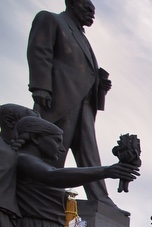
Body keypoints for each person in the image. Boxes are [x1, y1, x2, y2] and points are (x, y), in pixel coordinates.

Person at [27, 0, 114, 203]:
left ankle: (100, 196)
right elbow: (40, 51)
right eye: (87, 9)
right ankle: (46, 190)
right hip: (59, 98)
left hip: (84, 103)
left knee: (89, 151)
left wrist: (99, 85)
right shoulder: (51, 19)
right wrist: (41, 86)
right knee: (52, 145)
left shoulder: (82, 37)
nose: (91, 14)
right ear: (72, 4)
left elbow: (85, 71)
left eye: (93, 11)